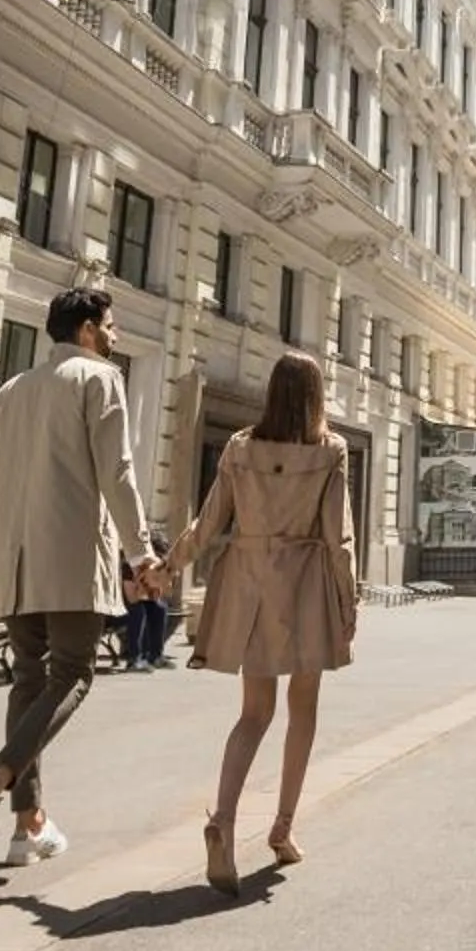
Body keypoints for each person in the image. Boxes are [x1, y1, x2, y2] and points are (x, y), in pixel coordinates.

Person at [0, 288, 156, 883]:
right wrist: (140, 552)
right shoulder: (99, 379)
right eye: (110, 326)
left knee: (28, 677)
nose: (114, 336)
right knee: (73, 675)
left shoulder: (13, 389)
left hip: (15, 561)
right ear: (89, 330)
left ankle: (28, 825)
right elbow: (116, 472)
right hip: (70, 560)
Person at [167, 350, 359, 893]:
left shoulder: (239, 446)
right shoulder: (330, 450)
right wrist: (350, 605)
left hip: (249, 584)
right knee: (303, 710)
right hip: (305, 586)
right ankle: (282, 830)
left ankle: (223, 823)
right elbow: (337, 539)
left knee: (253, 714)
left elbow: (208, 524)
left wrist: (167, 567)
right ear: (317, 397)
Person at [119, 537, 174, 671]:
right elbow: (132, 598)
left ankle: (155, 656)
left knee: (159, 608)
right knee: (138, 610)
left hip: (137, 601)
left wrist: (159, 582)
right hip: (117, 608)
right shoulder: (129, 567)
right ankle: (134, 659)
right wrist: (140, 583)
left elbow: (160, 595)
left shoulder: (153, 570)